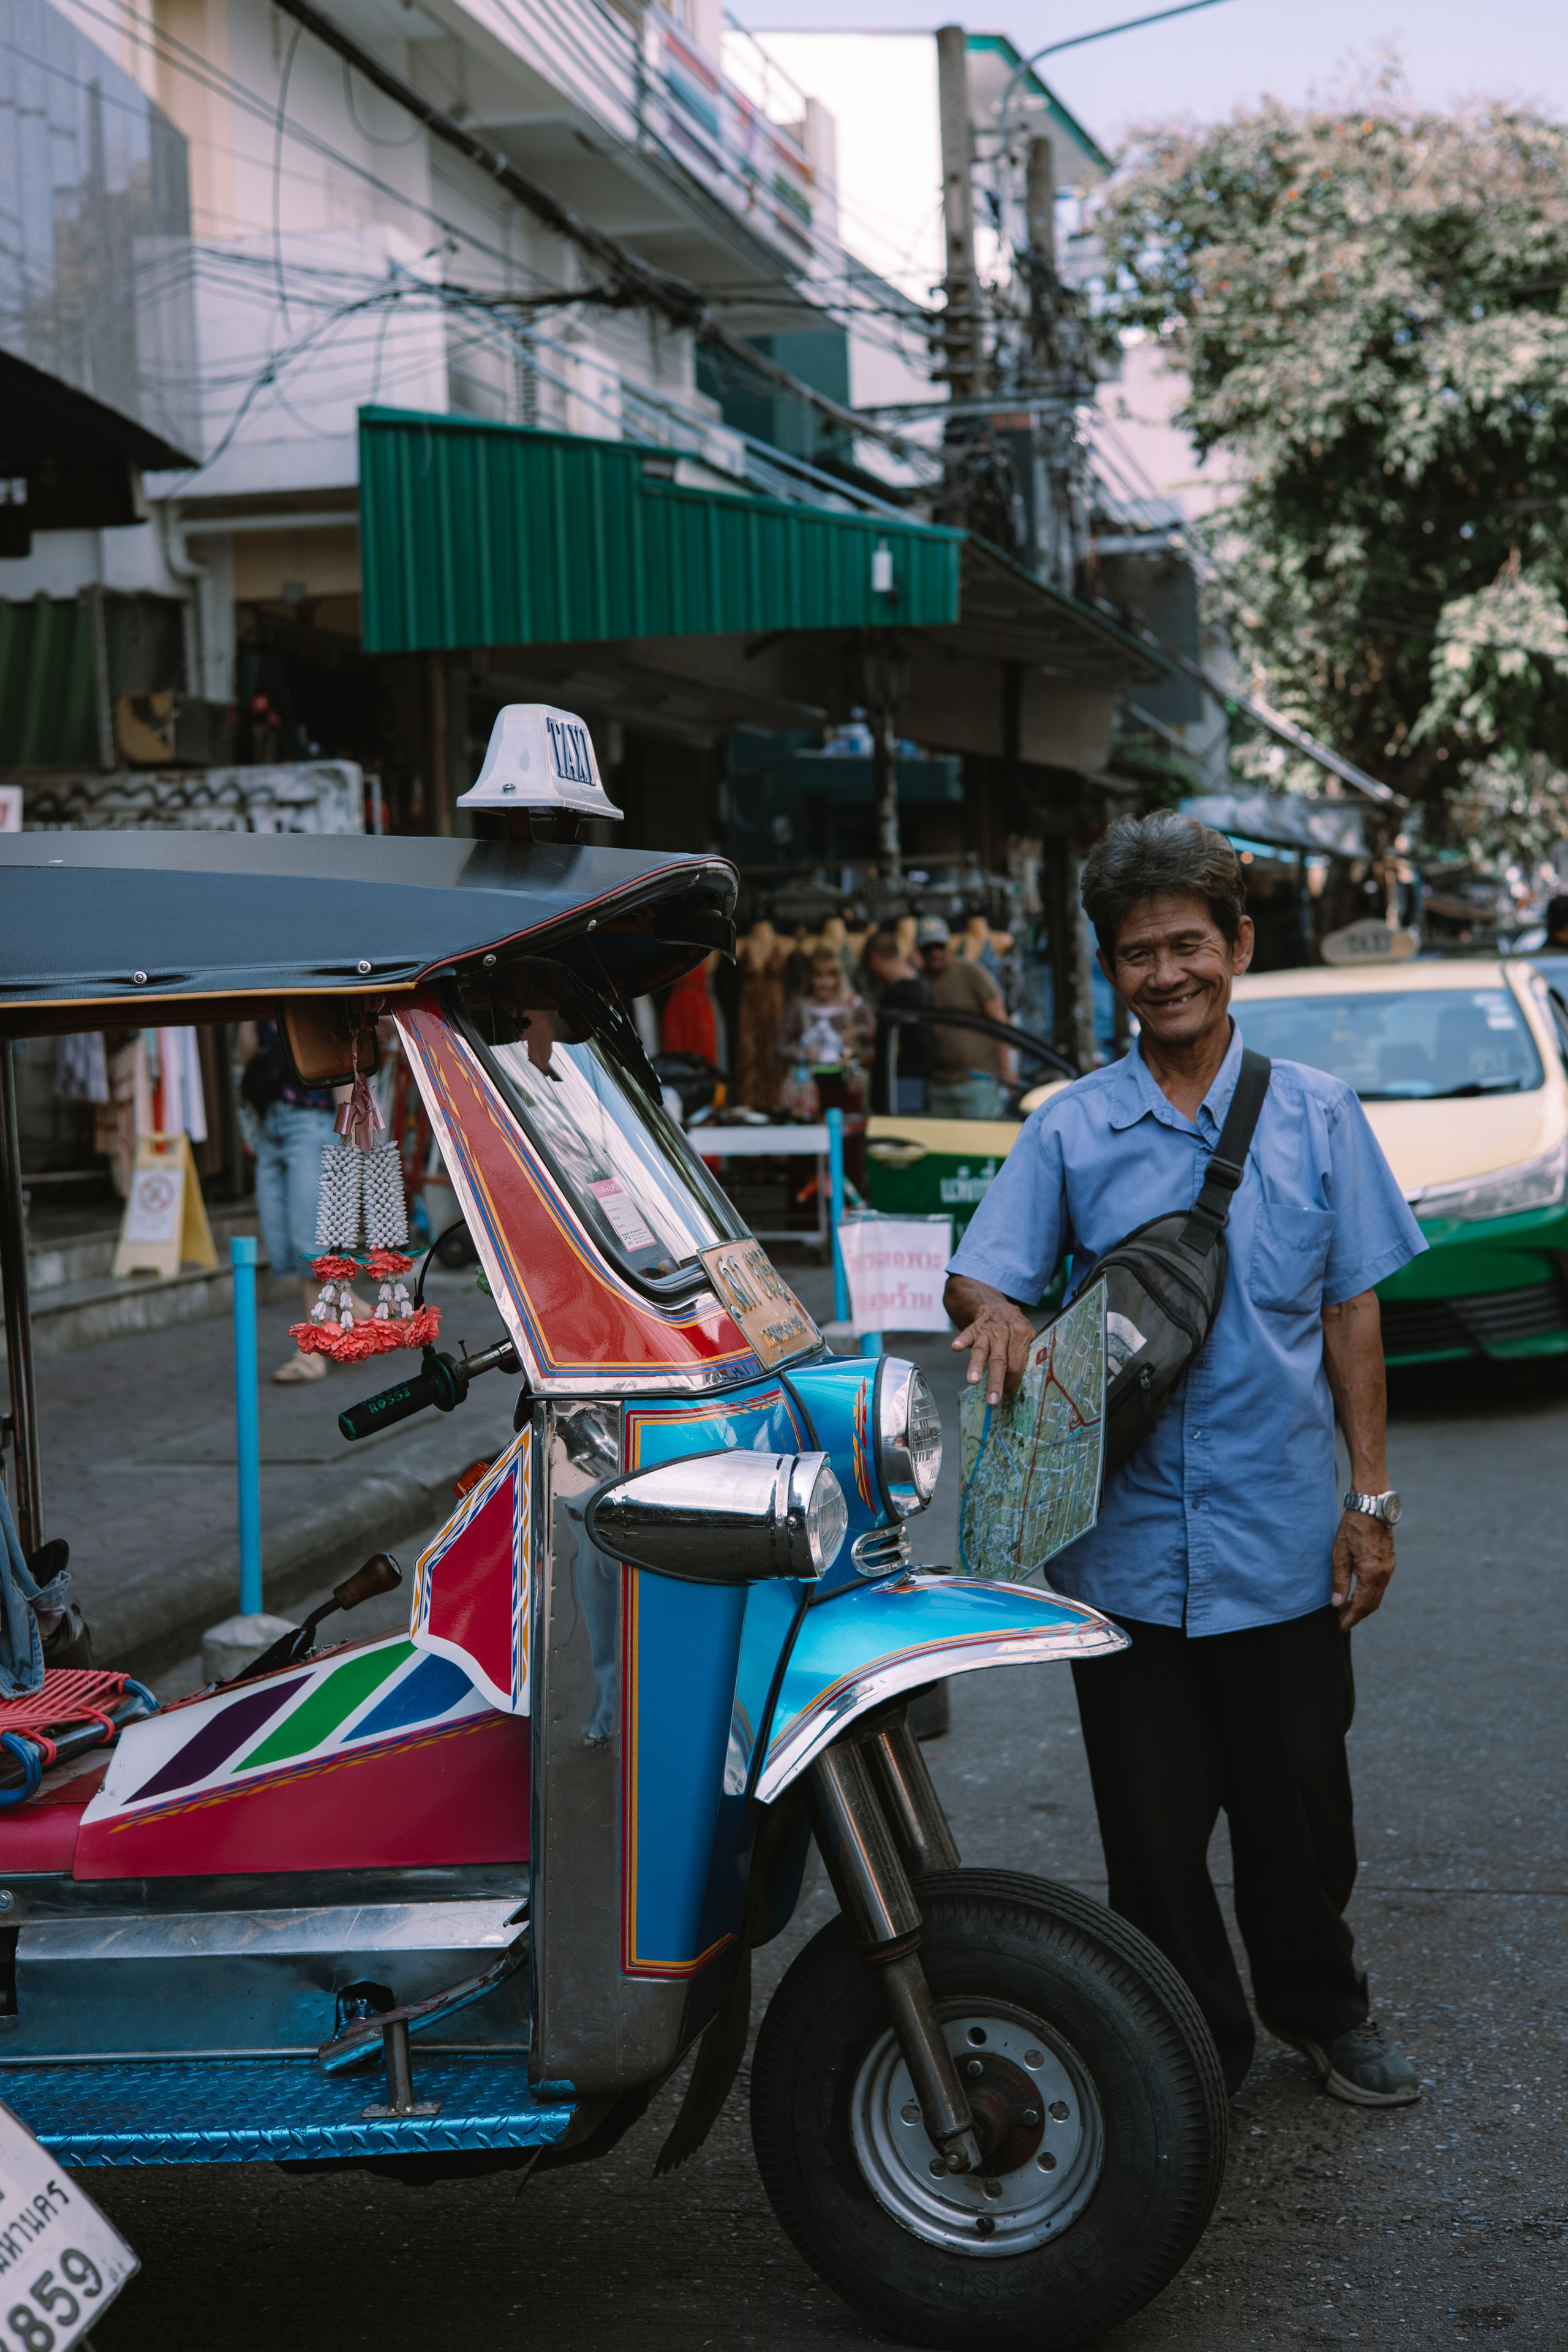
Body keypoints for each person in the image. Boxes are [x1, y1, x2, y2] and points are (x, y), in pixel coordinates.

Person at [943, 810, 1428, 2108]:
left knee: (1298, 1817)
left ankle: (1320, 2010)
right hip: (1125, 1555)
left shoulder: (1317, 1116)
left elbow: (1349, 1315)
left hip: (1278, 1539)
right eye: (1135, 952)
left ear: (1236, 947)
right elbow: (982, 1278)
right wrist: (990, 1316)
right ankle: (1185, 2045)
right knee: (1151, 1840)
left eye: (1186, 945)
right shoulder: (1066, 1129)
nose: (1163, 973)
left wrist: (1365, 1501)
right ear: (1108, 968)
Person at [238, 1019, 364, 1384]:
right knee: (284, 1243)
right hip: (270, 1123)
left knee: (311, 1245)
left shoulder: (311, 985)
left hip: (312, 1120)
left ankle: (314, 1351)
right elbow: (247, 1057)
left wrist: (349, 1145)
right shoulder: (261, 985)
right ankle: (352, 1311)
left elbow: (341, 1057)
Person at [778, 946, 874, 1182]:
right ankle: (807, 1217)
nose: (825, 983)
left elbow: (873, 1034)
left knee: (847, 1153)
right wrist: (802, 1054)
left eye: (831, 976)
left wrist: (855, 1040)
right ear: (810, 978)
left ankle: (846, 1211)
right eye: (819, 976)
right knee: (806, 1156)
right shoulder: (799, 1006)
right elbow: (780, 1046)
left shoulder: (852, 1005)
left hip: (846, 1090)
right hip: (809, 1093)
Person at [918, 916, 1014, 1120]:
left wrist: (1007, 1070)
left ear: (948, 945)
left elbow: (999, 1020)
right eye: (928, 948)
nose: (935, 953)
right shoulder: (920, 980)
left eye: (940, 946)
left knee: (982, 1142)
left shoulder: (969, 971)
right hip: (939, 1082)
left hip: (977, 1080)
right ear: (919, 951)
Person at [861, 928, 932, 1113]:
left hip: (898, 1084)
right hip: (917, 1082)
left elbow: (897, 1046)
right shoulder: (922, 987)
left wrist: (866, 1061)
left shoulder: (896, 994)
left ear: (875, 958)